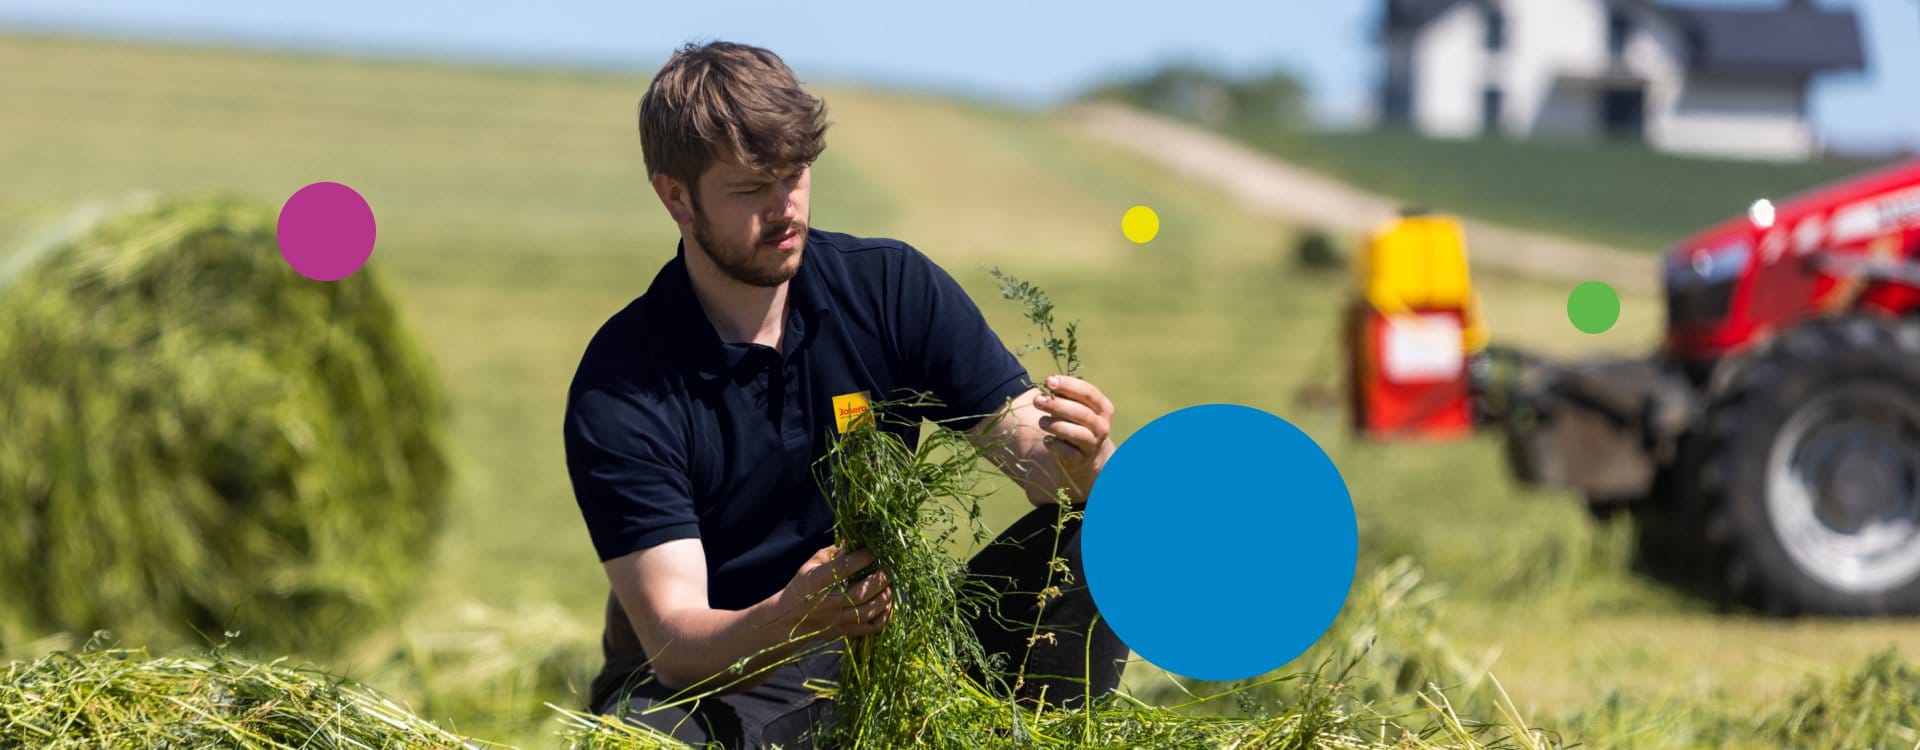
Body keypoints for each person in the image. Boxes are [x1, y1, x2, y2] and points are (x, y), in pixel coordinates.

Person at [562, 40, 1127, 749]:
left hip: (890, 650)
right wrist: (793, 617)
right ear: (675, 194)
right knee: (643, 740)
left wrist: (1088, 466)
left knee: (1106, 529)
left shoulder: (891, 288)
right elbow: (676, 643)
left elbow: (1036, 460)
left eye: (796, 176)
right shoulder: (622, 384)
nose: (785, 209)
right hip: (718, 681)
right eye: (749, 189)